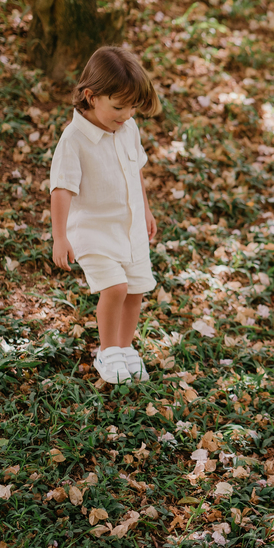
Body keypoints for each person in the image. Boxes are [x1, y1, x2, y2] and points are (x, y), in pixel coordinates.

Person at [49, 46, 162, 385]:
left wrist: (146, 209)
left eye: (131, 107)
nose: (126, 114)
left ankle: (125, 348)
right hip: (94, 230)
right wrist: (60, 236)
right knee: (115, 287)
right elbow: (61, 188)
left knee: (136, 289)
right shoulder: (74, 140)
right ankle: (108, 349)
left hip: (129, 229)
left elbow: (135, 171)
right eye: (118, 106)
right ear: (90, 96)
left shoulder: (128, 128)